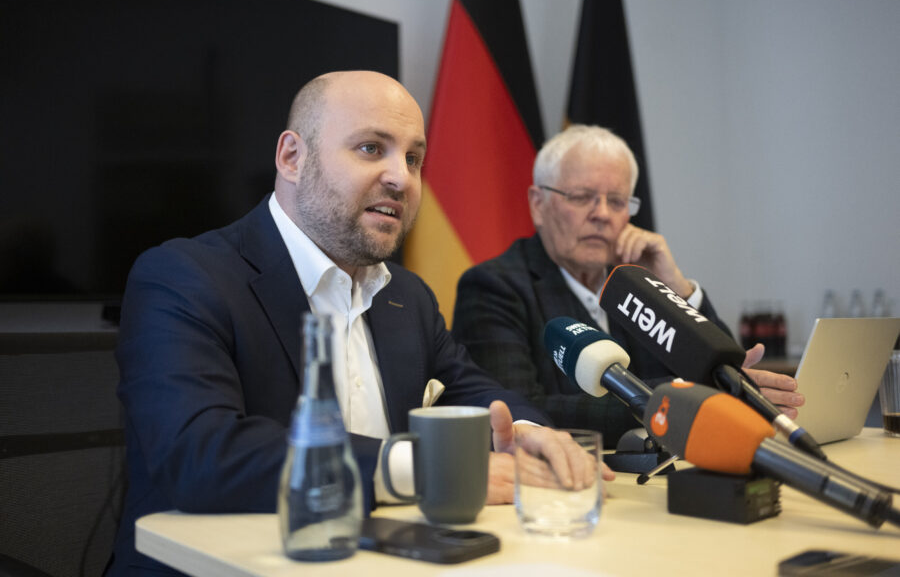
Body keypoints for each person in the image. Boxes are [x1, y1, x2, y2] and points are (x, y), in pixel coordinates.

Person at [107, 72, 605, 575]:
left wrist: (525, 432)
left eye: (413, 159)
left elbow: (472, 390)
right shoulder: (184, 276)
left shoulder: (406, 295)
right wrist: (423, 469)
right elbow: (201, 454)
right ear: (292, 158)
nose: (402, 179)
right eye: (371, 149)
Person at [452, 125, 803, 445]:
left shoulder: (635, 286)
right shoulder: (492, 287)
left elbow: (722, 373)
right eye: (581, 196)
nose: (602, 214)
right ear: (538, 205)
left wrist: (674, 289)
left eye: (617, 201)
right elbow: (521, 410)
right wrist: (686, 395)